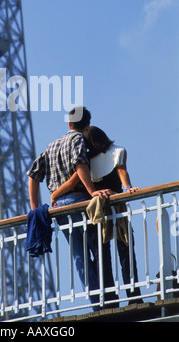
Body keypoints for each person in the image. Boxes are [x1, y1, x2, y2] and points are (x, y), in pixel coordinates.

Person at [27, 107, 113, 310]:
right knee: (98, 250)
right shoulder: (78, 140)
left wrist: (34, 206)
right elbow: (80, 166)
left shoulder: (52, 145)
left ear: (69, 123)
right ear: (88, 125)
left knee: (79, 256)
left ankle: (97, 304)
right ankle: (107, 297)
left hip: (59, 209)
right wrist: (92, 191)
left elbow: (33, 175)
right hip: (78, 201)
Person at [52, 126, 142, 303]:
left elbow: (73, 181)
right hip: (117, 207)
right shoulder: (118, 151)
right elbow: (122, 171)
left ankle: (109, 298)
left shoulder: (87, 160)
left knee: (103, 255)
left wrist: (54, 195)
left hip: (96, 211)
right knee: (126, 252)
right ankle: (134, 295)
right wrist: (128, 188)